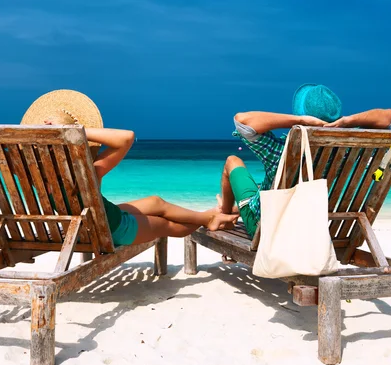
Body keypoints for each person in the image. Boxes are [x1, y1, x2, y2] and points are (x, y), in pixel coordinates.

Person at [22, 90, 238, 247]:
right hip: (110, 229)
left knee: (156, 202)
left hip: (91, 222)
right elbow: (126, 137)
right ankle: (211, 219)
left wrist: (39, 135)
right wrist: (76, 131)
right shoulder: (87, 171)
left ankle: (213, 215)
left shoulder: (30, 173)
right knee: (168, 225)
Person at [218, 84, 391, 239]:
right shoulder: (347, 151)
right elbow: (388, 117)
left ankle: (224, 216)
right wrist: (348, 121)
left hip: (265, 229)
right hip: (312, 229)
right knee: (261, 187)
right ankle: (231, 211)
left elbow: (242, 120)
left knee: (232, 161)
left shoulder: (281, 152)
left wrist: (300, 121)